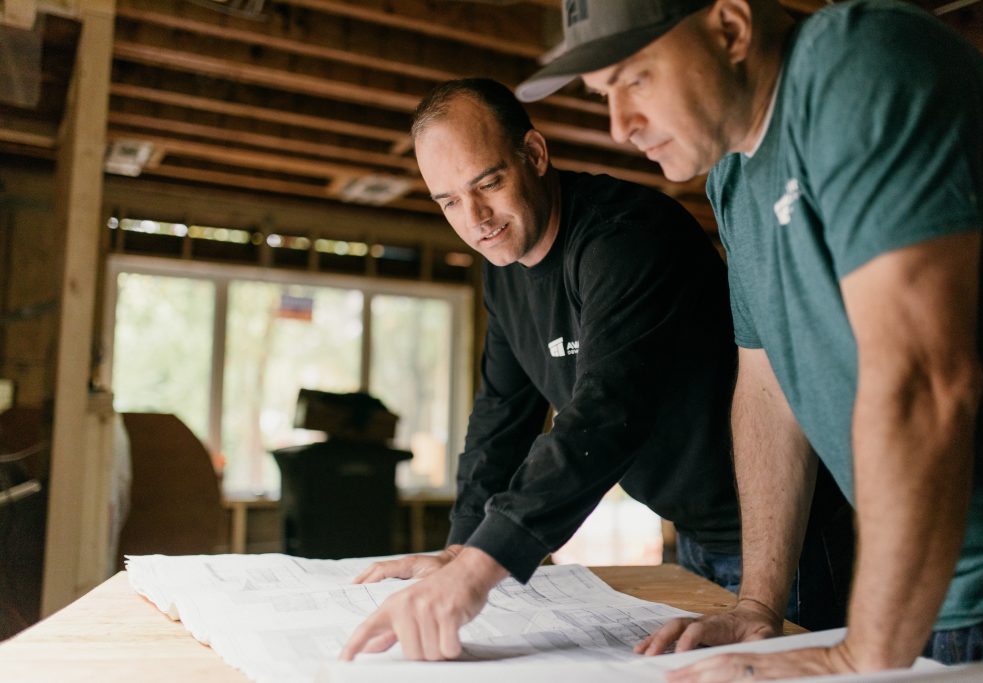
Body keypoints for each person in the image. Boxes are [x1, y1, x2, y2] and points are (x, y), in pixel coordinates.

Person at [517, 0, 983, 678]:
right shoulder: (734, 176)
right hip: (929, 591)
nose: (619, 127)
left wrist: (859, 655)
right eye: (603, 95)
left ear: (730, 28)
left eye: (636, 78)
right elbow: (766, 387)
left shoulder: (858, 62)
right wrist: (758, 600)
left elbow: (926, 379)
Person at [341, 78, 851, 662]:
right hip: (696, 534)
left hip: (794, 536)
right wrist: (460, 548)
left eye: (488, 183)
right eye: (449, 201)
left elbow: (605, 416)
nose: (475, 217)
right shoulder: (503, 272)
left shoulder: (627, 237)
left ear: (534, 155)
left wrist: (483, 568)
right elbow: (500, 419)